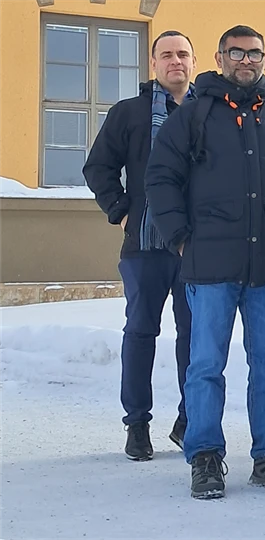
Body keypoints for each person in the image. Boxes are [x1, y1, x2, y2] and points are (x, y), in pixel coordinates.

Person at [144, 25, 265, 500]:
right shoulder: (194, 115)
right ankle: (205, 457)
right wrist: (179, 237)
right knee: (205, 364)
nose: (246, 60)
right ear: (221, 57)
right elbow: (160, 177)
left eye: (255, 53)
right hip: (210, 264)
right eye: (237, 53)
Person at [83, 30, 196, 461]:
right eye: (166, 55)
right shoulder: (129, 113)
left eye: (183, 54)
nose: (175, 62)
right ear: (153, 63)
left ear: (194, 61)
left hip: (195, 246)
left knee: (194, 336)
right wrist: (122, 210)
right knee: (141, 333)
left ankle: (189, 419)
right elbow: (98, 167)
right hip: (144, 244)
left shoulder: (207, 111)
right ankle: (137, 424)